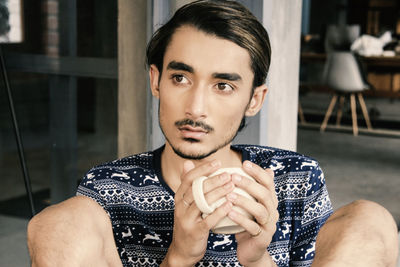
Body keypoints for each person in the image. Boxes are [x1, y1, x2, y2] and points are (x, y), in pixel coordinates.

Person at [27, 1, 398, 267]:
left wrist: (257, 259)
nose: (196, 107)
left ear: (254, 99)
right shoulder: (108, 188)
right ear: (156, 80)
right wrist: (179, 256)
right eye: (180, 78)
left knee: (370, 219)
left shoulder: (294, 179)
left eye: (223, 86)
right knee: (58, 223)